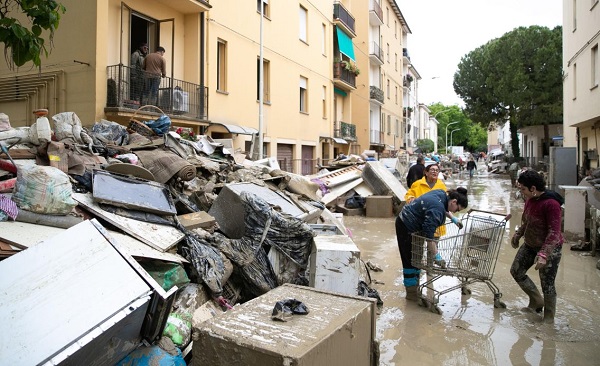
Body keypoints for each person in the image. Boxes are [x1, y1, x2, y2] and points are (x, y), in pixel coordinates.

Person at [395, 187, 469, 300]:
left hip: (415, 224)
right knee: (409, 260)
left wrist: (453, 218)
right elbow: (429, 238)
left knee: (417, 258)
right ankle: (411, 294)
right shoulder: (437, 211)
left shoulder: (442, 194)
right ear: (454, 201)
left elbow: (442, 207)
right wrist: (436, 256)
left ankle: (415, 289)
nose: (455, 212)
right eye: (457, 210)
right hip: (405, 224)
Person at [510, 170, 564, 323]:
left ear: (533, 189)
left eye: (523, 189)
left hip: (549, 248)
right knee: (516, 270)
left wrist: (543, 254)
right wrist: (518, 234)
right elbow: (527, 221)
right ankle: (536, 301)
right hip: (530, 244)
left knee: (547, 283)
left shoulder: (551, 204)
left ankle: (549, 317)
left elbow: (554, 232)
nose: (521, 192)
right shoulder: (530, 200)